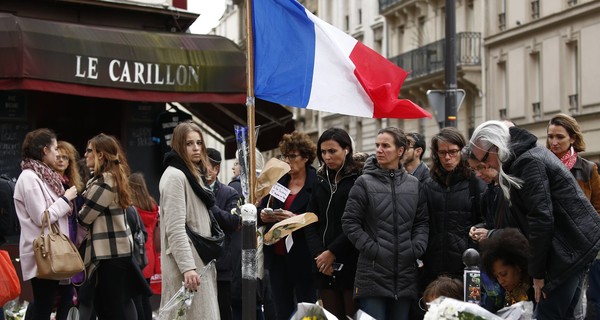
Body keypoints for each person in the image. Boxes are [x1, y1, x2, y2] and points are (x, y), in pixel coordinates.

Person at [469, 120, 600, 319]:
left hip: (569, 249)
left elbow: (541, 219)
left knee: (548, 314)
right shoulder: (523, 158)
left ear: (497, 146)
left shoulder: (527, 161)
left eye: (485, 159)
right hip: (573, 245)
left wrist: (538, 275)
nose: (486, 165)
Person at [342, 127, 428, 320]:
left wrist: (416, 248)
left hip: (405, 275)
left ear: (400, 151)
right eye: (377, 145)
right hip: (372, 275)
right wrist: (373, 249)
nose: (379, 150)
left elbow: (422, 222)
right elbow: (349, 222)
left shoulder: (414, 185)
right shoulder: (363, 183)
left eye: (385, 146)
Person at [79, 133, 148, 320]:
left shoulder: (106, 181)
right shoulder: (106, 178)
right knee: (109, 304)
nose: (85, 155)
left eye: (89, 151)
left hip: (111, 253)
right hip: (112, 252)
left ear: (100, 155)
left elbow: (85, 217)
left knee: (112, 306)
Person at [13, 128, 78, 320]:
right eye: (55, 148)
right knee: (44, 305)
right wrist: (65, 200)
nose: (57, 153)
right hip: (42, 252)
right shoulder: (30, 178)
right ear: (44, 150)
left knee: (47, 303)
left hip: (49, 250)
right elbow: (41, 217)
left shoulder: (42, 175)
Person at [158, 121, 220, 319]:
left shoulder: (191, 174)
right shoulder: (175, 176)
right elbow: (174, 228)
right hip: (188, 266)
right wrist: (188, 267)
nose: (196, 148)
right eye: (189, 143)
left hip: (199, 261)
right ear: (179, 145)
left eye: (199, 143)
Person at [259, 131, 317, 320]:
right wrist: (264, 216)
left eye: (293, 156)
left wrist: (295, 218)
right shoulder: (280, 183)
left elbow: (320, 218)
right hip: (278, 258)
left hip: (304, 257)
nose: (288, 161)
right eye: (285, 156)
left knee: (306, 310)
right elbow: (263, 207)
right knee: (281, 311)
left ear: (306, 157)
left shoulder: (316, 183)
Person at [304, 128, 362, 319]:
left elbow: (358, 222)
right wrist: (320, 254)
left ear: (346, 149)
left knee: (351, 315)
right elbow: (310, 219)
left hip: (351, 261)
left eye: (332, 151)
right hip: (322, 265)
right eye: (323, 152)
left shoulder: (358, 180)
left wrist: (333, 252)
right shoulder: (320, 179)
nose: (327, 157)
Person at [546, 113, 600, 319]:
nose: (553, 142)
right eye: (550, 136)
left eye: (559, 137)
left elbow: (598, 209)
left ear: (572, 139)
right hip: (551, 246)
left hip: (581, 247)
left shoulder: (588, 169)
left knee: (576, 308)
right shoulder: (541, 165)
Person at [421, 127, 486, 286]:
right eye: (442, 153)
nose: (447, 157)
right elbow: (422, 223)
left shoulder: (475, 182)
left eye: (453, 152)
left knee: (471, 309)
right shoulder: (428, 185)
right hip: (434, 268)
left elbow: (486, 220)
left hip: (469, 266)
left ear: (462, 151)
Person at [205, 148, 241, 320]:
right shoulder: (191, 189)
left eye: (204, 167)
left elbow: (233, 222)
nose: (200, 171)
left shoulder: (229, 192)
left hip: (222, 265)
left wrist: (211, 205)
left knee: (223, 311)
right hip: (199, 264)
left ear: (216, 169)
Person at [52, 141, 86, 319]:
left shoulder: (71, 184)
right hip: (54, 244)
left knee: (67, 296)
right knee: (49, 297)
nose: (61, 160)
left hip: (71, 243)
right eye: (58, 156)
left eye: (65, 157)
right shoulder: (47, 181)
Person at [129, 172, 159, 320]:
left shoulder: (131, 208)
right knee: (145, 297)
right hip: (149, 255)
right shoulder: (152, 204)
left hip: (136, 254)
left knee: (136, 298)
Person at [480, 228, 533, 308]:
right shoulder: (498, 293)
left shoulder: (538, 289)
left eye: (504, 274)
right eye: (497, 276)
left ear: (518, 266)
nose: (501, 281)